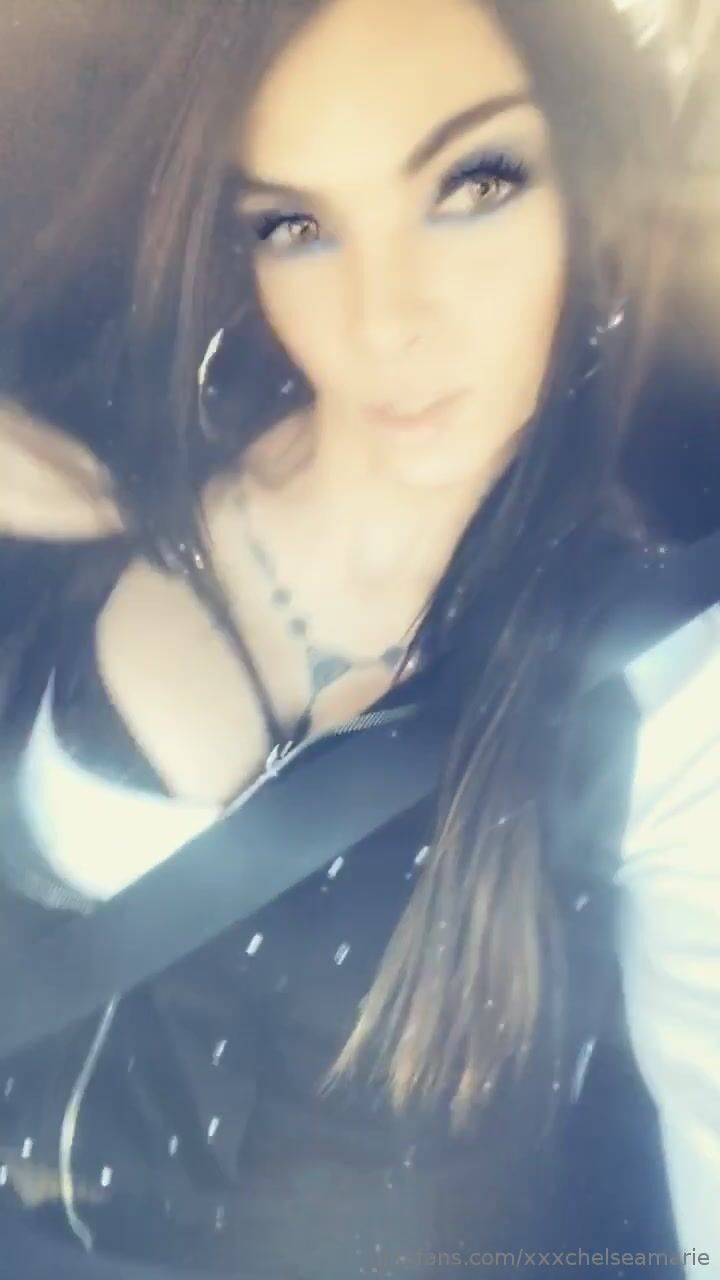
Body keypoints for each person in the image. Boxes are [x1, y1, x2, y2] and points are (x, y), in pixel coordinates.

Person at [0, 1, 717, 1276]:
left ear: (592, 185)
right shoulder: (121, 455)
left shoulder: (662, 677)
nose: (386, 321)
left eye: (474, 183)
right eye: (298, 224)